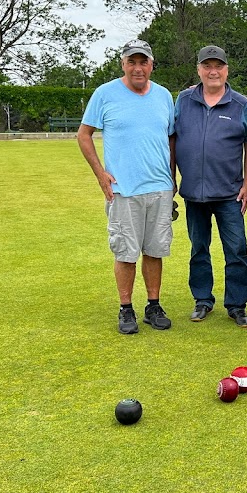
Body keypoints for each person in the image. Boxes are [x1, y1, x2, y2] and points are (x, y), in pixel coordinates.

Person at [78, 39, 176, 334]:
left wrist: (172, 180)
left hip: (160, 187)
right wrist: (101, 174)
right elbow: (84, 135)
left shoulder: (163, 96)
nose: (137, 68)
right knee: (125, 252)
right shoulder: (105, 94)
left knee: (155, 250)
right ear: (123, 63)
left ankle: (153, 305)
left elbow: (170, 139)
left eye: (143, 62)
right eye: (132, 62)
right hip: (124, 189)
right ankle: (126, 308)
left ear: (151, 64)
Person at [170, 45, 247, 328]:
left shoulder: (241, 104)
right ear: (198, 70)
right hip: (193, 193)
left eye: (218, 66)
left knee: (237, 250)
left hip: (229, 193)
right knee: (199, 248)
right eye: (207, 66)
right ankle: (202, 300)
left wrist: (246, 184)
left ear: (226, 70)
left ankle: (236, 305)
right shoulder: (183, 101)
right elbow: (172, 140)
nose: (213, 71)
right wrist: (172, 178)